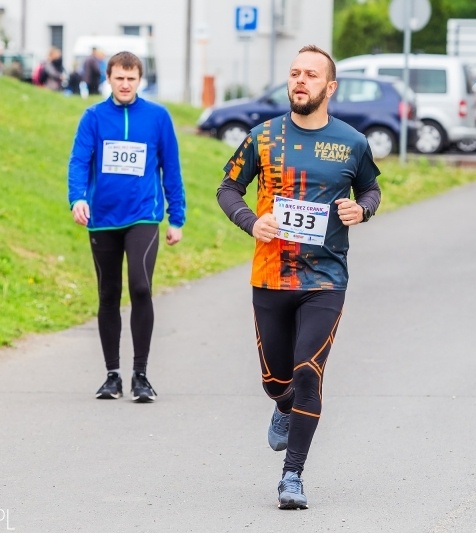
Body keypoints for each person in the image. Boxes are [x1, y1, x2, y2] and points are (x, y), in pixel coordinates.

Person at [216, 45, 381, 509]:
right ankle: (282, 404)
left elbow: (370, 188)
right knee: (275, 380)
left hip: (326, 278)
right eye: (293, 73)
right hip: (270, 276)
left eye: (310, 75)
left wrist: (360, 209)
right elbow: (228, 187)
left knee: (308, 374)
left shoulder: (351, 142)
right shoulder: (262, 137)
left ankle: (292, 477)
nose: (300, 81)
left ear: (330, 87)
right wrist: (252, 221)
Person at [67, 51, 186, 402]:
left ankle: (141, 375)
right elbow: (78, 160)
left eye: (131, 78)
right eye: (119, 78)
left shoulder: (157, 117)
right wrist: (77, 198)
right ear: (109, 78)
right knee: (108, 294)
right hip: (102, 218)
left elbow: (171, 168)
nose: (125, 84)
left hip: (143, 217)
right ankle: (112, 375)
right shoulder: (93, 117)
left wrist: (176, 217)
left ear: (140, 80)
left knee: (141, 287)